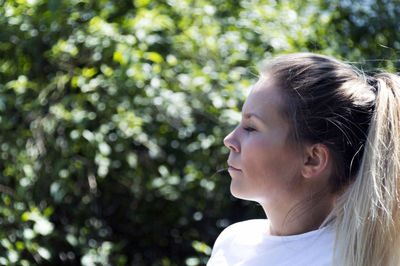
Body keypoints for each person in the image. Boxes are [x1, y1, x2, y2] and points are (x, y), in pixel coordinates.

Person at [207, 53, 400, 266]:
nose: (229, 140)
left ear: (312, 159)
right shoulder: (233, 241)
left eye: (251, 127)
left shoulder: (342, 260)